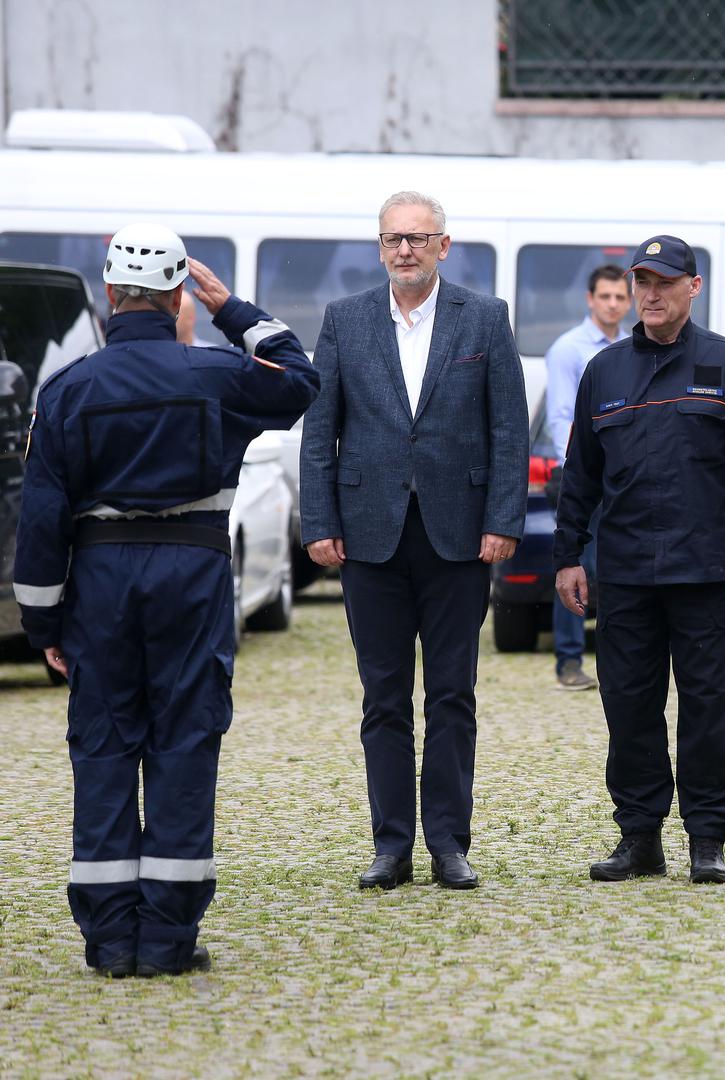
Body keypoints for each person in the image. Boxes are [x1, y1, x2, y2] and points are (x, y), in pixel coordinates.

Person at [13, 224, 318, 976]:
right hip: (193, 575)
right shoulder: (214, 373)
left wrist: (45, 620)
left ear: (110, 294)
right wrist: (232, 307)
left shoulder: (67, 390)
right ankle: (168, 939)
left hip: (102, 584)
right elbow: (300, 377)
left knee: (105, 747)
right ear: (179, 292)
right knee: (185, 740)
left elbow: (43, 519)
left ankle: (112, 940)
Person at [299, 191, 528, 892]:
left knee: (453, 694)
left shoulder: (483, 319)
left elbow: (509, 429)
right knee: (384, 698)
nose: (406, 250)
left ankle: (449, 844)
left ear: (443, 246)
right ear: (379, 247)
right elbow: (320, 432)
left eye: (418, 239)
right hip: (369, 537)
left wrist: (504, 520)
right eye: (395, 239)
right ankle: (390, 845)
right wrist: (320, 523)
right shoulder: (345, 320)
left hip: (458, 536)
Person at [553, 234, 725, 886]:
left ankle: (707, 837)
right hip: (625, 575)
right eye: (641, 282)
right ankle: (639, 837)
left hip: (708, 574)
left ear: (693, 288)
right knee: (628, 709)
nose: (649, 294)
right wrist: (568, 555)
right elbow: (581, 476)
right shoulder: (605, 371)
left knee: (709, 708)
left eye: (663, 282)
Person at [542, 264, 630, 691]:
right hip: (583, 475)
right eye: (606, 296)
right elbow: (562, 416)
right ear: (590, 299)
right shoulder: (568, 349)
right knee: (576, 564)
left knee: (615, 565)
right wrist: (577, 472)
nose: (613, 304)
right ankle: (569, 661)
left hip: (623, 478)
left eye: (620, 297)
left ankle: (617, 658)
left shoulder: (634, 346)